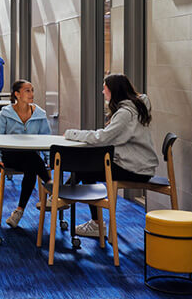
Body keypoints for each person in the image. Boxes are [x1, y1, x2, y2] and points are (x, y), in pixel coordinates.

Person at [64, 72, 159, 238]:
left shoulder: (125, 113)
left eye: (104, 88)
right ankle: (62, 197)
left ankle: (62, 197)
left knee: (84, 170)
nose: (102, 92)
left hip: (135, 169)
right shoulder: (137, 106)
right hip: (140, 165)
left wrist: (71, 133)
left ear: (113, 90)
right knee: (85, 168)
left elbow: (102, 138)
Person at [0, 79, 51, 228]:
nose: (31, 94)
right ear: (17, 94)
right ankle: (51, 187)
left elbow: (46, 139)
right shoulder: (5, 114)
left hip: (30, 159)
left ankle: (19, 211)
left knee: (31, 163)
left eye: (32, 90)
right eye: (27, 91)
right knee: (32, 158)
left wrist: (49, 159)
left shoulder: (40, 114)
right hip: (10, 156)